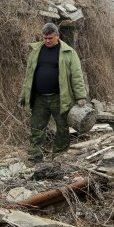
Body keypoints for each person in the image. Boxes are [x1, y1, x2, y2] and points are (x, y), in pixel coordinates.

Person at [19, 23, 87, 163]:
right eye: (44, 38)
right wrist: (24, 95)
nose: (47, 41)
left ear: (57, 36)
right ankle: (35, 157)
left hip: (60, 99)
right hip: (39, 99)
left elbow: (76, 75)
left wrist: (80, 96)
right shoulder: (36, 51)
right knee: (36, 129)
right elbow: (29, 75)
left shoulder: (68, 52)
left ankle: (59, 157)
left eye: (50, 38)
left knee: (62, 129)